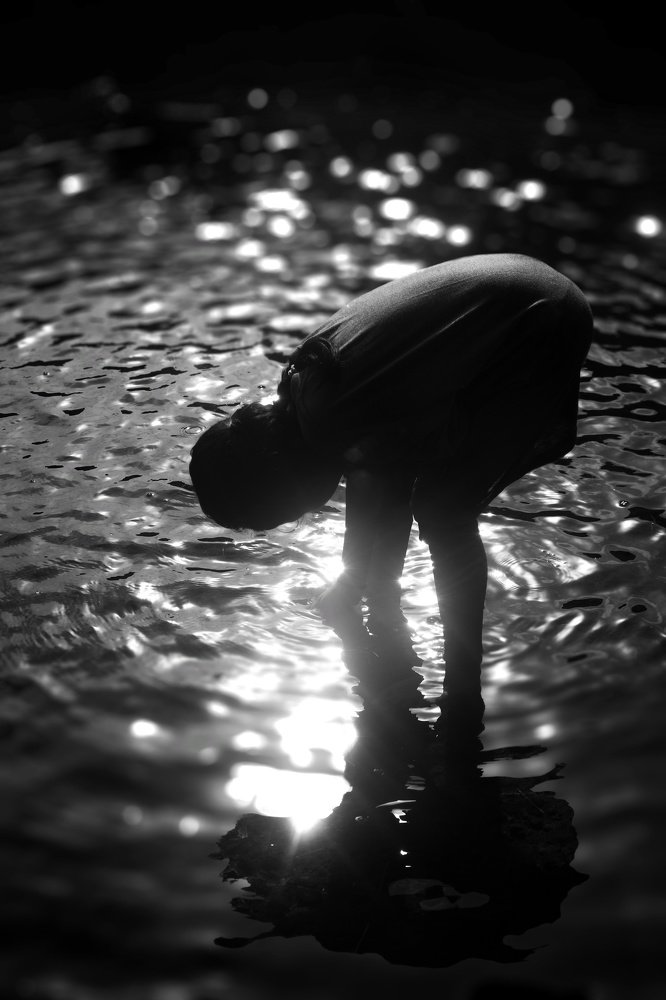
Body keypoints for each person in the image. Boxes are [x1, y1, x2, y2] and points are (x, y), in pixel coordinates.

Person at [189, 253, 593, 698]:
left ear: (276, 482)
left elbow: (373, 498)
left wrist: (348, 588)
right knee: (423, 491)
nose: (306, 510)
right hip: (528, 288)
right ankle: (416, 646)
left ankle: (464, 687)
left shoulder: (329, 418)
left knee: (444, 512)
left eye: (286, 512)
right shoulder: (303, 386)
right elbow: (389, 488)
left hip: (535, 323)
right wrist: (371, 597)